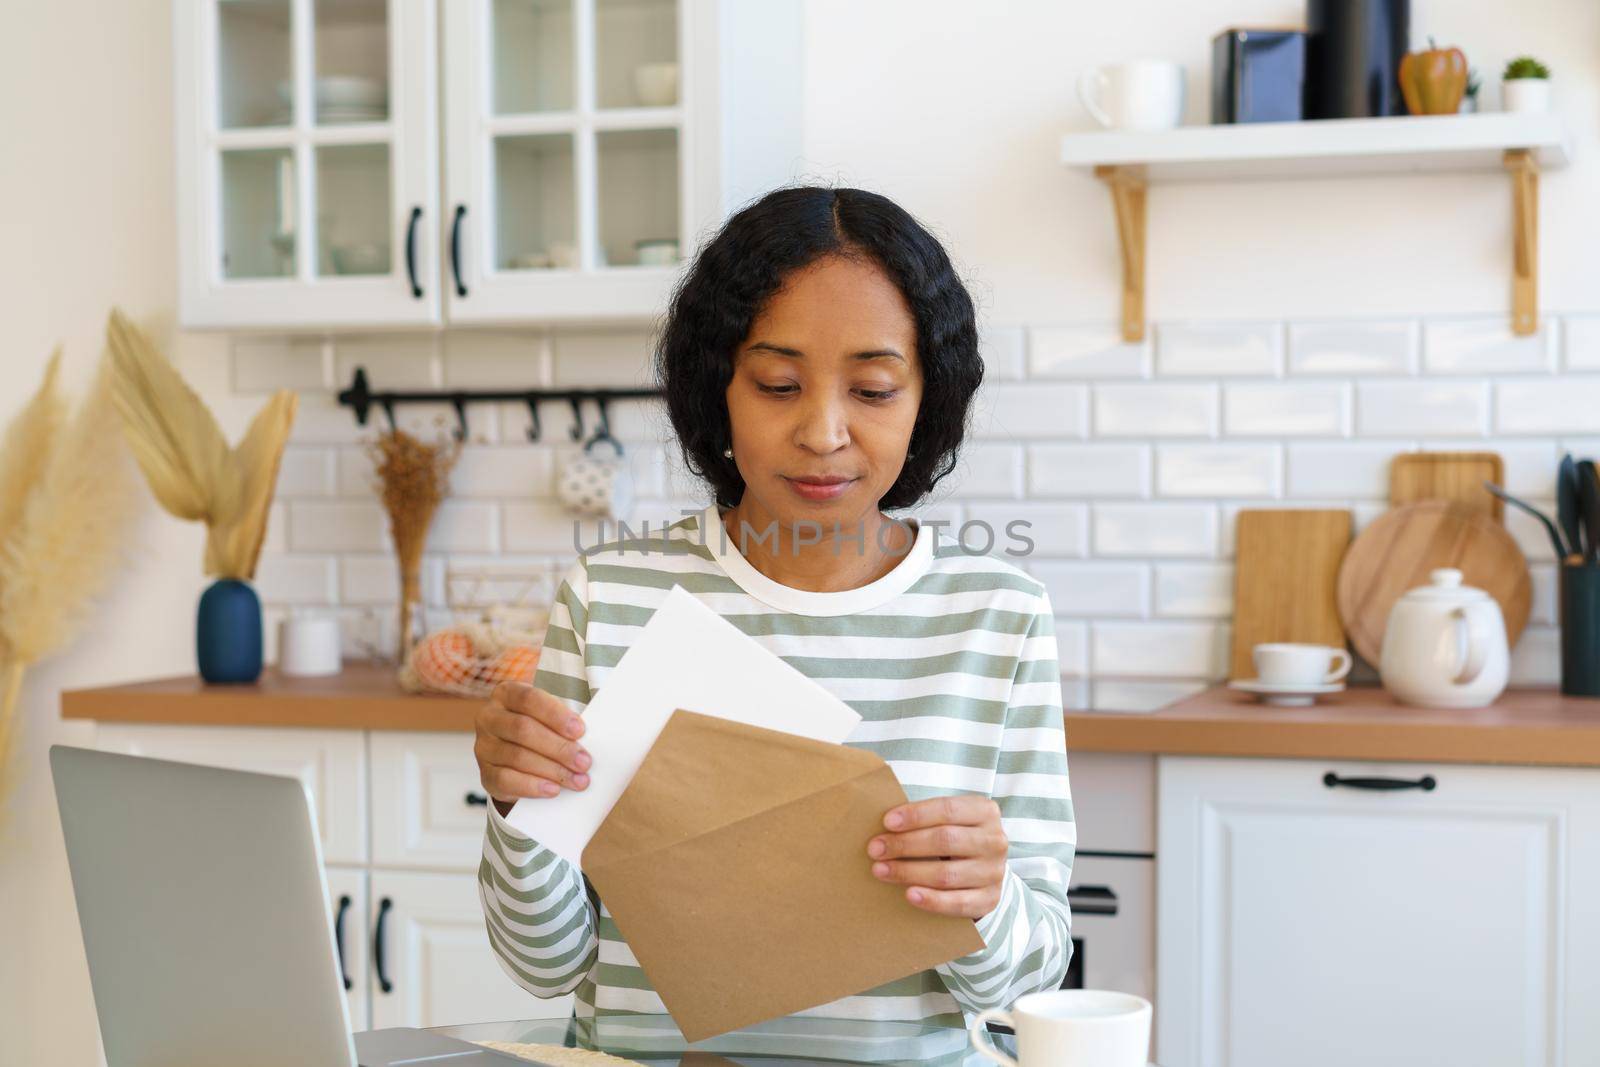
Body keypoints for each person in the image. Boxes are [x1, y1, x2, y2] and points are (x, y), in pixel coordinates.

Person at [473, 185, 1074, 1032]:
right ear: (718, 388)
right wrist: (516, 809)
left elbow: (1023, 986)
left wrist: (986, 897)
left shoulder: (996, 617)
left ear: (926, 402)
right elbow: (545, 963)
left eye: (872, 390)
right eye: (778, 383)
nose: (824, 431)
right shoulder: (610, 599)